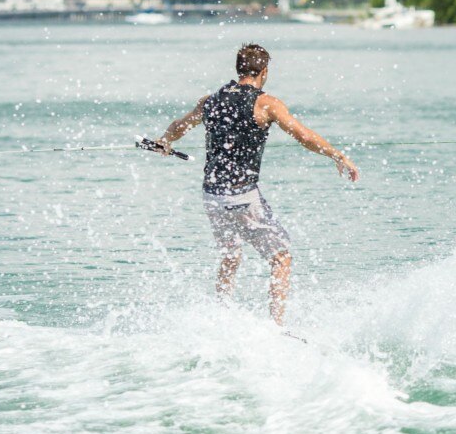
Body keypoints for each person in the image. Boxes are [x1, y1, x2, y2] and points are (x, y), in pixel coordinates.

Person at [151, 44, 359, 324]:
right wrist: (338, 155)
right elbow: (303, 135)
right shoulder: (266, 103)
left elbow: (179, 126)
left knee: (230, 256)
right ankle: (277, 326)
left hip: (212, 197)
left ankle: (221, 315)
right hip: (243, 197)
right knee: (281, 258)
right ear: (264, 71)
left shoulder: (211, 100)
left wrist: (164, 141)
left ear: (238, 69)